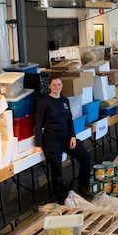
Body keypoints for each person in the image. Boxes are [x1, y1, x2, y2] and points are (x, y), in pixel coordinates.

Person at [34, 76, 92, 204]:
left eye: (59, 85)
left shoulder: (64, 100)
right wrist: (38, 144)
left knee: (86, 157)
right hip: (52, 139)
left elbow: (69, 120)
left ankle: (83, 187)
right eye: (54, 85)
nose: (57, 87)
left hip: (66, 137)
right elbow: (38, 124)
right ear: (49, 86)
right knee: (56, 167)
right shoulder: (44, 103)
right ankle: (61, 196)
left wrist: (73, 136)